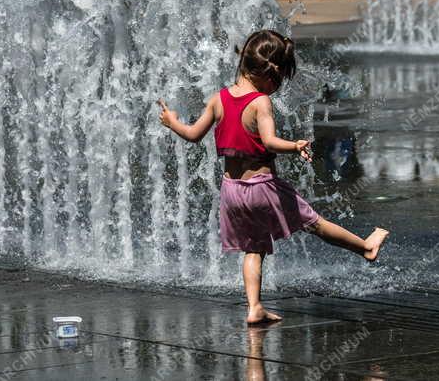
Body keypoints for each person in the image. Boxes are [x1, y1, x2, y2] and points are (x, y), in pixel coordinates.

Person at [158, 29, 389, 325]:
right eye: (279, 81)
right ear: (271, 75)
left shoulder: (219, 99)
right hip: (263, 187)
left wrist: (171, 121)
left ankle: (254, 307)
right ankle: (366, 247)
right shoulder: (260, 102)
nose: (276, 88)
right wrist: (294, 146)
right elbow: (268, 141)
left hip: (231, 190)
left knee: (253, 249)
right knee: (315, 223)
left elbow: (192, 135)